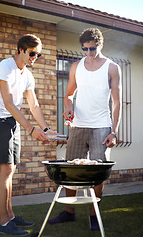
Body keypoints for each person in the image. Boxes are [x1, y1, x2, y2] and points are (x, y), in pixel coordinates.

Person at [48, 28, 122, 231]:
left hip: (101, 126)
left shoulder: (112, 67)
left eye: (92, 48)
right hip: (78, 125)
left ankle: (93, 215)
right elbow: (69, 94)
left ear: (100, 45)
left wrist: (113, 131)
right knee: (71, 169)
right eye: (85, 48)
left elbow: (116, 103)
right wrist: (68, 107)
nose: (88, 52)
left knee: (97, 171)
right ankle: (69, 213)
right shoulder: (75, 66)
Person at [0, 34, 57, 236]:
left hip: (13, 122)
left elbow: (33, 104)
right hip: (0, 121)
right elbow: (8, 102)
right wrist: (31, 129)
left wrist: (44, 128)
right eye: (32, 53)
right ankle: (4, 223)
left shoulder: (27, 75)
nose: (36, 57)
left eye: (39, 54)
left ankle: (10, 216)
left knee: (11, 170)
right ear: (20, 50)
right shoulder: (5, 67)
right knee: (6, 169)